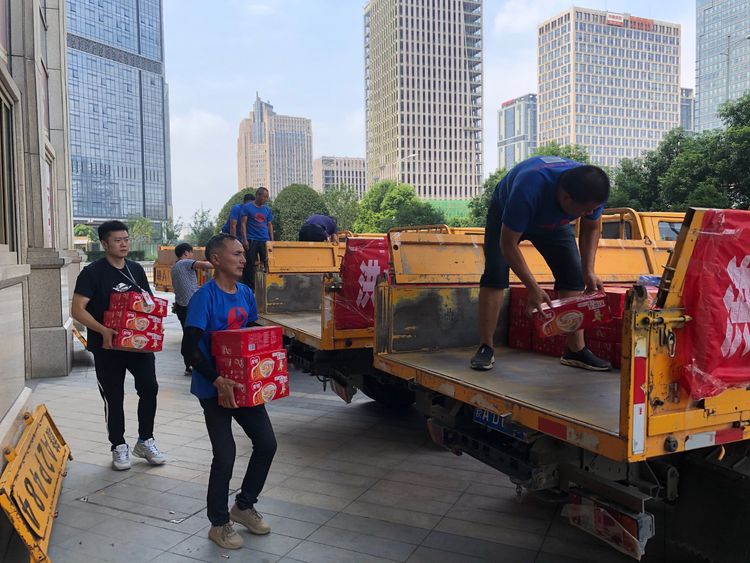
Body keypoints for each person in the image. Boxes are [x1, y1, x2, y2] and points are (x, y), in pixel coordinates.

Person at [470, 156, 612, 372]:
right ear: (566, 198)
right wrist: (533, 288)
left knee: (573, 276)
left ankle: (575, 350)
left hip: (552, 221)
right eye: (585, 210)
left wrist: (589, 271)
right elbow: (507, 244)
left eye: (594, 209)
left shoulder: (591, 192)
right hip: (507, 214)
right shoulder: (528, 187)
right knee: (495, 273)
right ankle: (485, 346)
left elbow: (591, 228)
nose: (590, 213)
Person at [182, 233, 277, 550]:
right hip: (213, 390)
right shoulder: (204, 298)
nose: (243, 259)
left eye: (243, 254)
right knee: (225, 456)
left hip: (243, 387)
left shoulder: (246, 293)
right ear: (216, 259)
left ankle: (244, 506)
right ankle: (219, 523)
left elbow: (249, 335)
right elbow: (189, 350)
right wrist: (217, 379)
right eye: (236, 254)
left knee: (267, 444)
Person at [71, 220, 166, 470]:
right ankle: (118, 445)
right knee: (114, 397)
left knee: (149, 388)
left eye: (126, 239)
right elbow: (77, 310)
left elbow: (147, 304)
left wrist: (153, 326)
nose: (123, 244)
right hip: (107, 347)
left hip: (138, 345)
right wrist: (103, 330)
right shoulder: (92, 273)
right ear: (105, 244)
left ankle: (145, 440)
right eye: (117, 240)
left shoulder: (135, 269)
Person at [171, 243, 213, 376]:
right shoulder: (185, 263)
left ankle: (189, 364)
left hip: (181, 306)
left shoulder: (174, 267)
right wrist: (222, 262)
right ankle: (194, 363)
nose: (192, 255)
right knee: (195, 336)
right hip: (190, 305)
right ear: (185, 253)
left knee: (188, 335)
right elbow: (207, 265)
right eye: (191, 253)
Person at [240, 187, 274, 290]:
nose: (266, 199)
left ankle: (269, 285)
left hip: (264, 240)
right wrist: (244, 240)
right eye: (265, 197)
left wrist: (272, 241)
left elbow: (269, 225)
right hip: (252, 239)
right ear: (258, 195)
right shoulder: (247, 207)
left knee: (267, 262)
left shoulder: (267, 209)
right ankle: (249, 287)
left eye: (267, 197)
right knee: (250, 264)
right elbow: (243, 224)